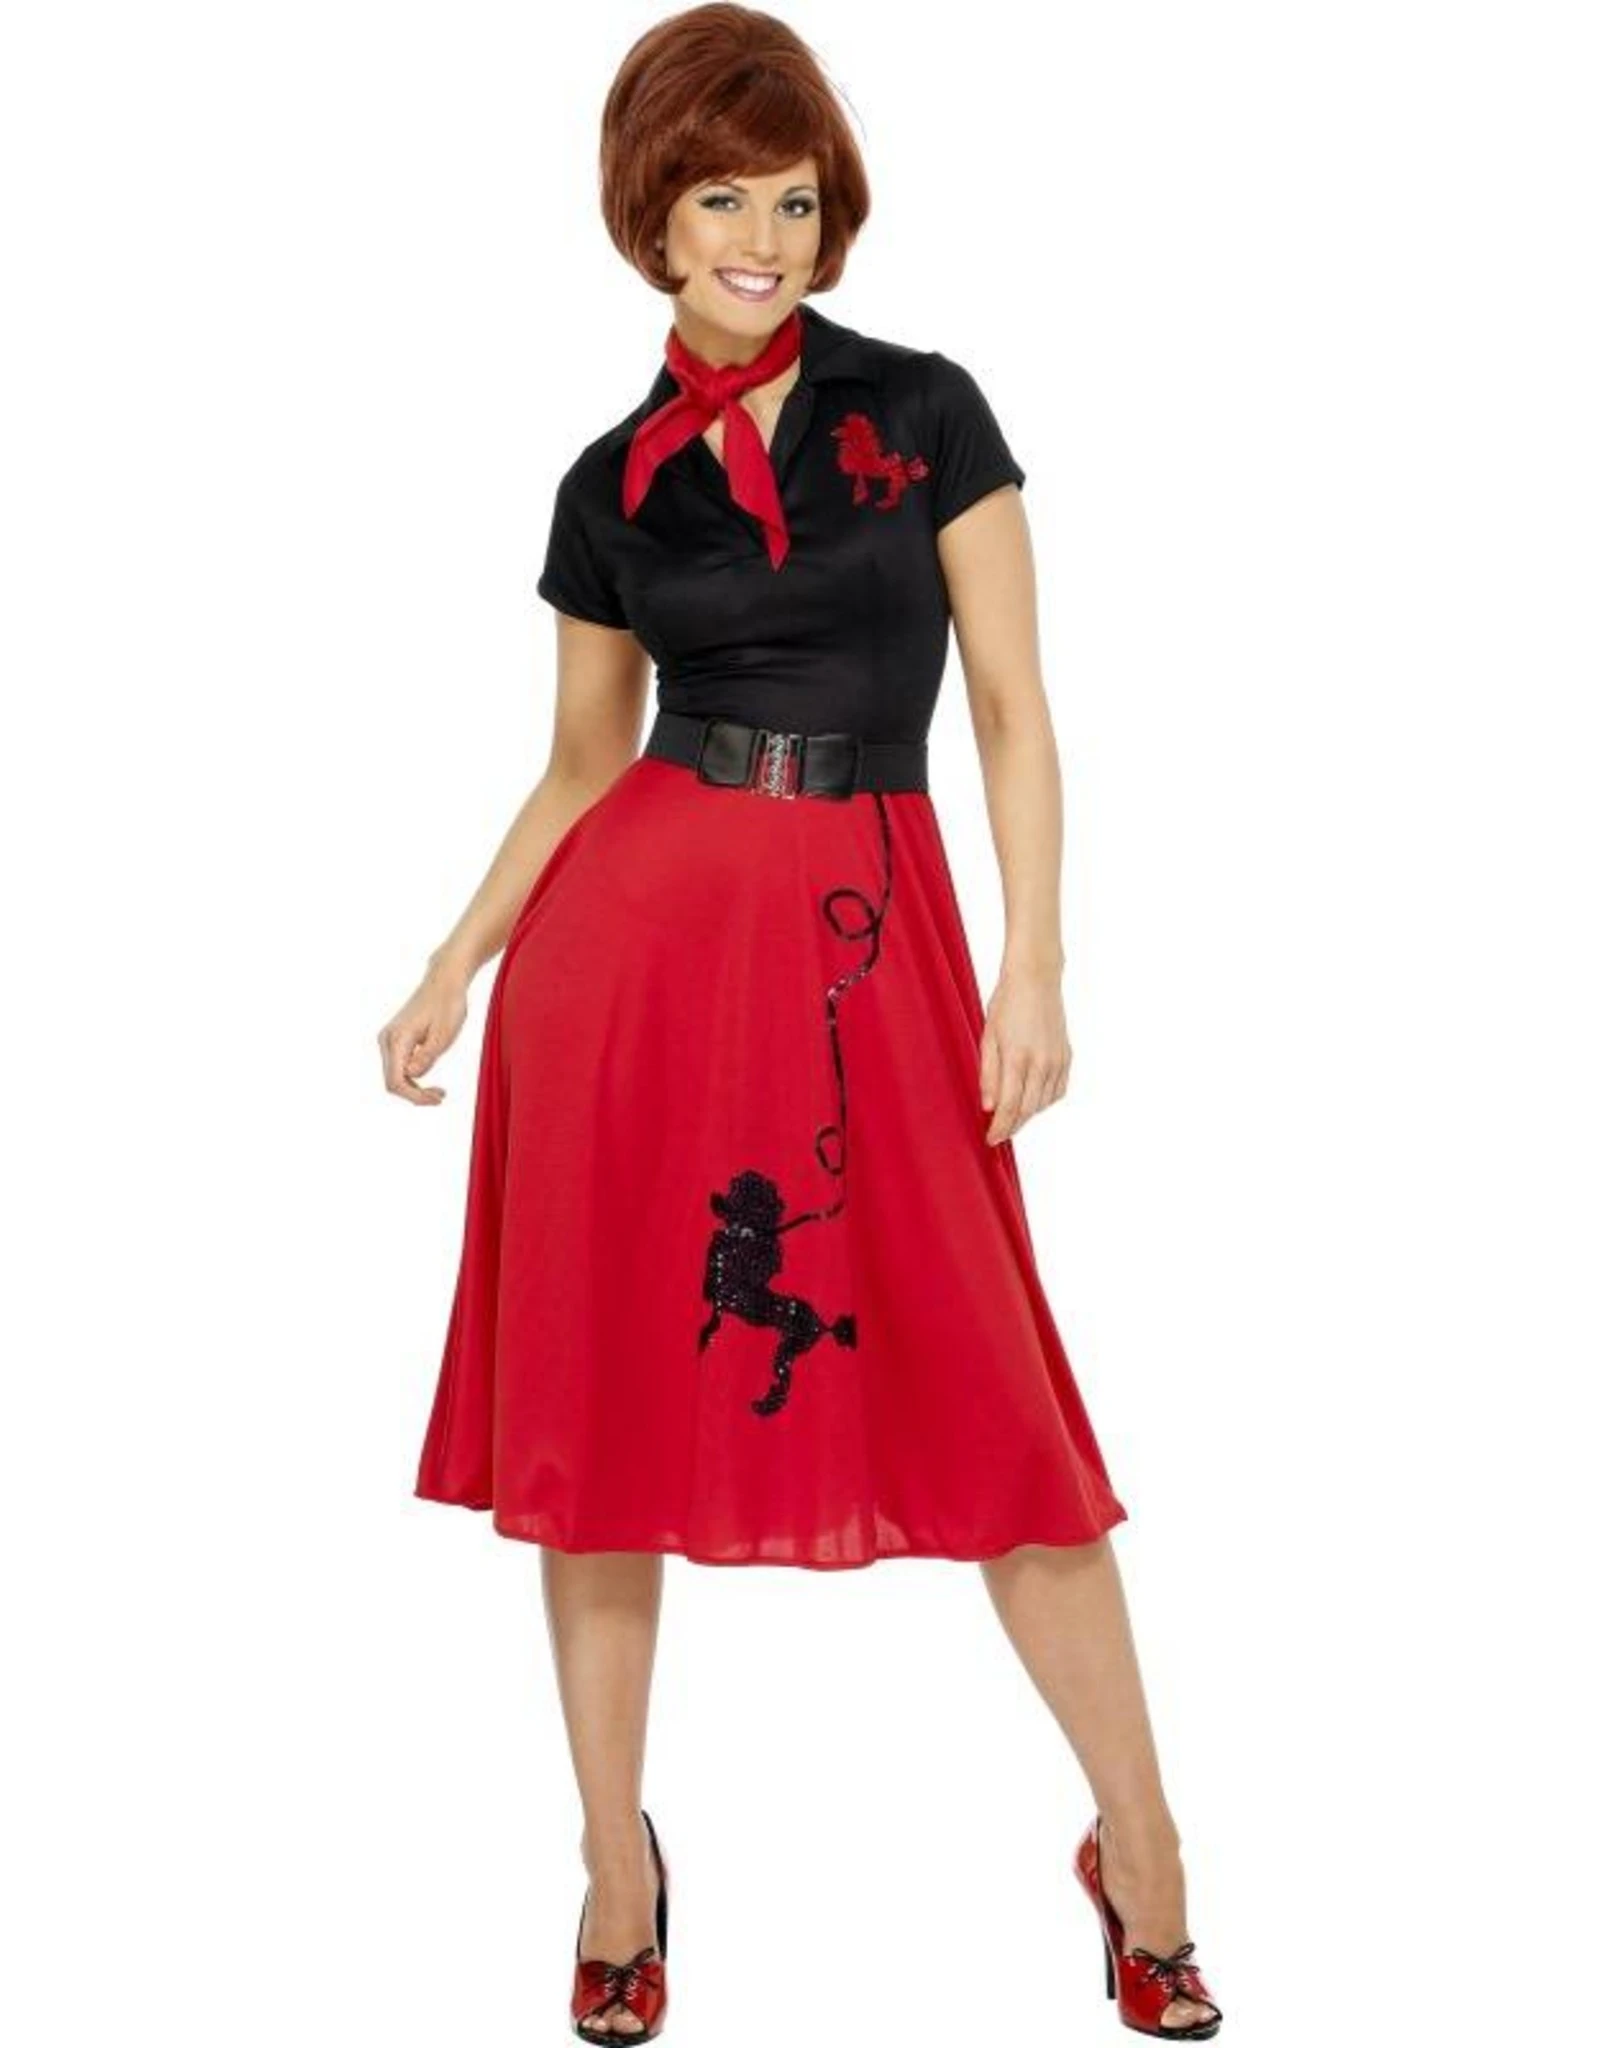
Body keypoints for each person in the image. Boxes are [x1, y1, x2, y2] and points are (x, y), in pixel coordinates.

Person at [377, 6, 1223, 2040]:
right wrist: (457, 959)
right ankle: (615, 1867)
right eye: (718, 202)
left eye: (791, 201)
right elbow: (581, 765)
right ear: (650, 225)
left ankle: (1148, 1855)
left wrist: (1035, 962)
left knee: (999, 1403)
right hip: (631, 969)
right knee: (598, 1428)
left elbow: (1011, 708)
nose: (761, 239)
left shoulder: (924, 411)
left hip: (871, 940)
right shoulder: (604, 485)